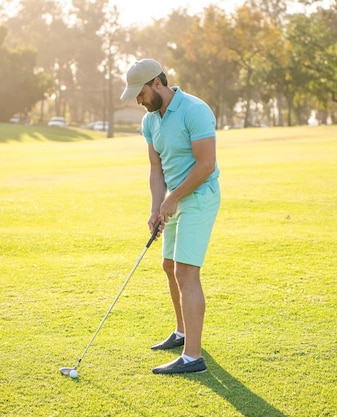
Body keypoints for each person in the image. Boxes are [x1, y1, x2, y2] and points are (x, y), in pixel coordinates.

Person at [120, 59, 221, 374]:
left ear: (157, 84)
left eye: (141, 93)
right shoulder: (150, 121)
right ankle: (181, 333)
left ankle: (193, 357)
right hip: (174, 201)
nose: (138, 100)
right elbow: (155, 168)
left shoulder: (195, 110)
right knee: (168, 266)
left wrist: (173, 198)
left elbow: (206, 165)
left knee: (186, 273)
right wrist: (156, 207)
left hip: (199, 197)